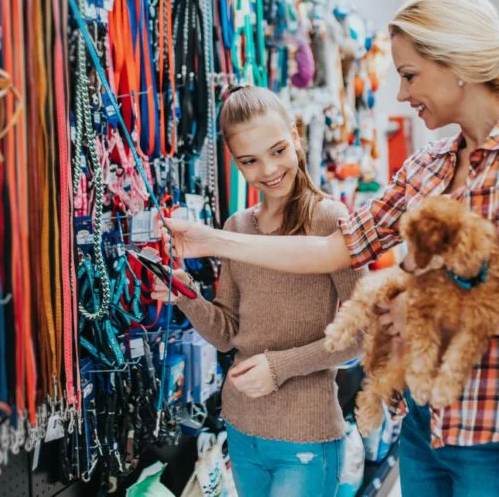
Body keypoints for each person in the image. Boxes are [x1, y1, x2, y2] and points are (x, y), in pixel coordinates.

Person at [165, 0, 499, 497]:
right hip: (420, 423)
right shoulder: (429, 164)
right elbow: (332, 248)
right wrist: (211, 241)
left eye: (410, 75)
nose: (401, 94)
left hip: (494, 433)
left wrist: (430, 307)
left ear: (457, 61)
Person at [151, 85, 364, 497]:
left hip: (306, 436)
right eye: (250, 160)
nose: (268, 169)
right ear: (235, 163)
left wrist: (278, 368)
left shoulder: (330, 220)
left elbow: (360, 334)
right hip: (242, 429)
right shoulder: (236, 228)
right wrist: (183, 292)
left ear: (296, 136)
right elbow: (228, 332)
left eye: (278, 150)